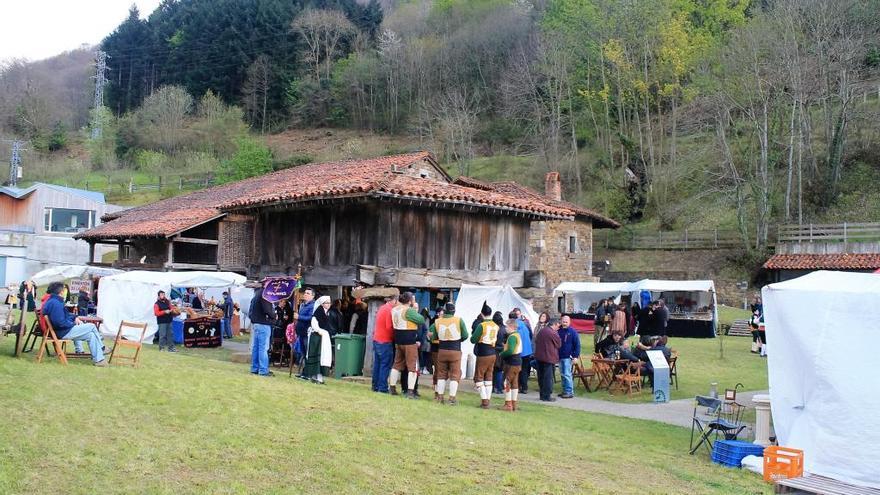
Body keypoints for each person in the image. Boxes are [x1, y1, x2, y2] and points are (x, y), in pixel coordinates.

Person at [42, 282, 108, 366]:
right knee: (92, 326)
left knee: (91, 335)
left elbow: (64, 316)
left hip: (62, 331)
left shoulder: (54, 301)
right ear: (61, 292)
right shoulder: (55, 303)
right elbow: (59, 323)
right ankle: (102, 347)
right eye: (64, 290)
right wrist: (73, 324)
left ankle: (99, 360)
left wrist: (74, 317)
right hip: (63, 332)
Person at [429, 302, 468, 405]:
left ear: (444, 311)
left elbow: (432, 337)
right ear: (454, 311)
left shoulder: (437, 322)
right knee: (455, 375)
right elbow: (465, 335)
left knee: (441, 374)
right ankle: (451, 398)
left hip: (442, 350)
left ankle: (440, 397)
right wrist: (458, 340)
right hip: (455, 350)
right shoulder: (459, 320)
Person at [388, 292, 426, 399]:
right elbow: (421, 319)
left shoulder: (394, 309)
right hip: (409, 340)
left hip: (398, 340)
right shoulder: (408, 310)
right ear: (409, 301)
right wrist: (414, 306)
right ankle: (410, 392)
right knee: (412, 367)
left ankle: (392, 388)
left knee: (396, 365)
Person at [469, 302, 499, 408]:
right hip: (493, 352)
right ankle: (488, 399)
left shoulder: (482, 325)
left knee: (479, 377)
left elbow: (473, 339)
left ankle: (484, 400)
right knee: (489, 377)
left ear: (482, 314)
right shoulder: (496, 326)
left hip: (483, 353)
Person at [305, 296, 335, 384]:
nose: (328, 305)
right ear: (322, 304)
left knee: (322, 357)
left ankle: (317, 377)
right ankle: (317, 377)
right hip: (317, 338)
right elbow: (314, 323)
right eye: (327, 303)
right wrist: (319, 331)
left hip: (323, 338)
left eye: (329, 303)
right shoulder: (319, 312)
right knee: (318, 358)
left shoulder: (326, 313)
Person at [248, 284, 276, 377]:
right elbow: (268, 310)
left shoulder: (257, 294)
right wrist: (274, 315)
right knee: (263, 348)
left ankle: (255, 368)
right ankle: (263, 370)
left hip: (256, 323)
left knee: (256, 347)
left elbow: (250, 310)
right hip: (263, 323)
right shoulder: (265, 295)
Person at [372, 297, 396, 393]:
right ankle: (382, 387)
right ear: (393, 300)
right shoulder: (389, 310)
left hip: (377, 339)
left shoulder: (382, 308)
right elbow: (389, 327)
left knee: (377, 364)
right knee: (385, 365)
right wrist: (395, 336)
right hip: (385, 340)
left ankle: (375, 385)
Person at [533, 318, 561, 402]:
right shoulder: (552, 333)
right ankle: (547, 396)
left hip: (539, 357)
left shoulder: (541, 331)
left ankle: (542, 395)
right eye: (557, 326)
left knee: (541, 377)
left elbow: (536, 340)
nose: (558, 328)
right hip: (548, 358)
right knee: (548, 378)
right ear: (554, 324)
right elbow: (559, 344)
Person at [500, 318, 523, 412]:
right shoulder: (517, 335)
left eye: (507, 326)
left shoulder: (512, 336)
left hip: (512, 362)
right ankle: (514, 404)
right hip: (517, 361)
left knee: (507, 382)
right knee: (514, 383)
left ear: (511, 326)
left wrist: (501, 354)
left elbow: (510, 350)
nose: (505, 328)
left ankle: (508, 404)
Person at [510, 309, 533, 394]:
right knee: (525, 370)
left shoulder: (513, 326)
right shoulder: (524, 324)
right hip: (527, 351)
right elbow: (531, 335)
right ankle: (524, 387)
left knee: (518, 370)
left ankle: (518, 386)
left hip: (519, 351)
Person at [557, 315, 580, 399]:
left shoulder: (573, 332)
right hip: (560, 356)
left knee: (567, 374)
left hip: (568, 357)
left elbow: (577, 345)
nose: (565, 323)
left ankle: (569, 391)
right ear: (561, 321)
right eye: (563, 321)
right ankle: (564, 390)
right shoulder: (558, 331)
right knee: (562, 374)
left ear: (569, 322)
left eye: (566, 321)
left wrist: (575, 356)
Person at [293, 288, 316, 373]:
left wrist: (299, 317)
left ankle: (308, 371)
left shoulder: (313, 305)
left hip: (307, 332)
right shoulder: (302, 305)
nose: (305, 294)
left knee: (307, 352)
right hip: (300, 332)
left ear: (312, 296)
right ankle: (304, 371)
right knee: (302, 352)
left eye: (308, 293)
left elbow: (311, 318)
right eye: (305, 293)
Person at [492, 311, 507, 395]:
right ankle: (499, 387)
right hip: (502, 351)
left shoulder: (494, 329)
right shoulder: (504, 329)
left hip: (494, 350)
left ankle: (496, 387)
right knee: (499, 370)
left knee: (495, 370)